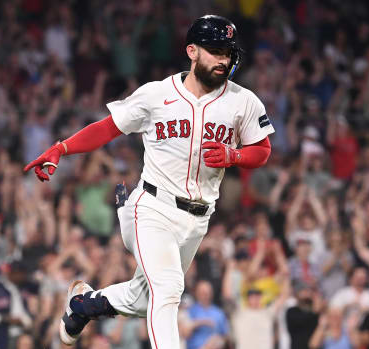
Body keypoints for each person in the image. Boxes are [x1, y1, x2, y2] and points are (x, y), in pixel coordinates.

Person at [24, 15, 274, 348]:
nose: (222, 59)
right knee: (169, 290)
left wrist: (235, 157)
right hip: (153, 207)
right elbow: (107, 128)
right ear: (192, 51)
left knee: (146, 299)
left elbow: (262, 149)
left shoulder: (242, 100)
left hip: (198, 218)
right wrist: (61, 148)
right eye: (214, 51)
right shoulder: (157, 95)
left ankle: (84, 305)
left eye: (227, 52)